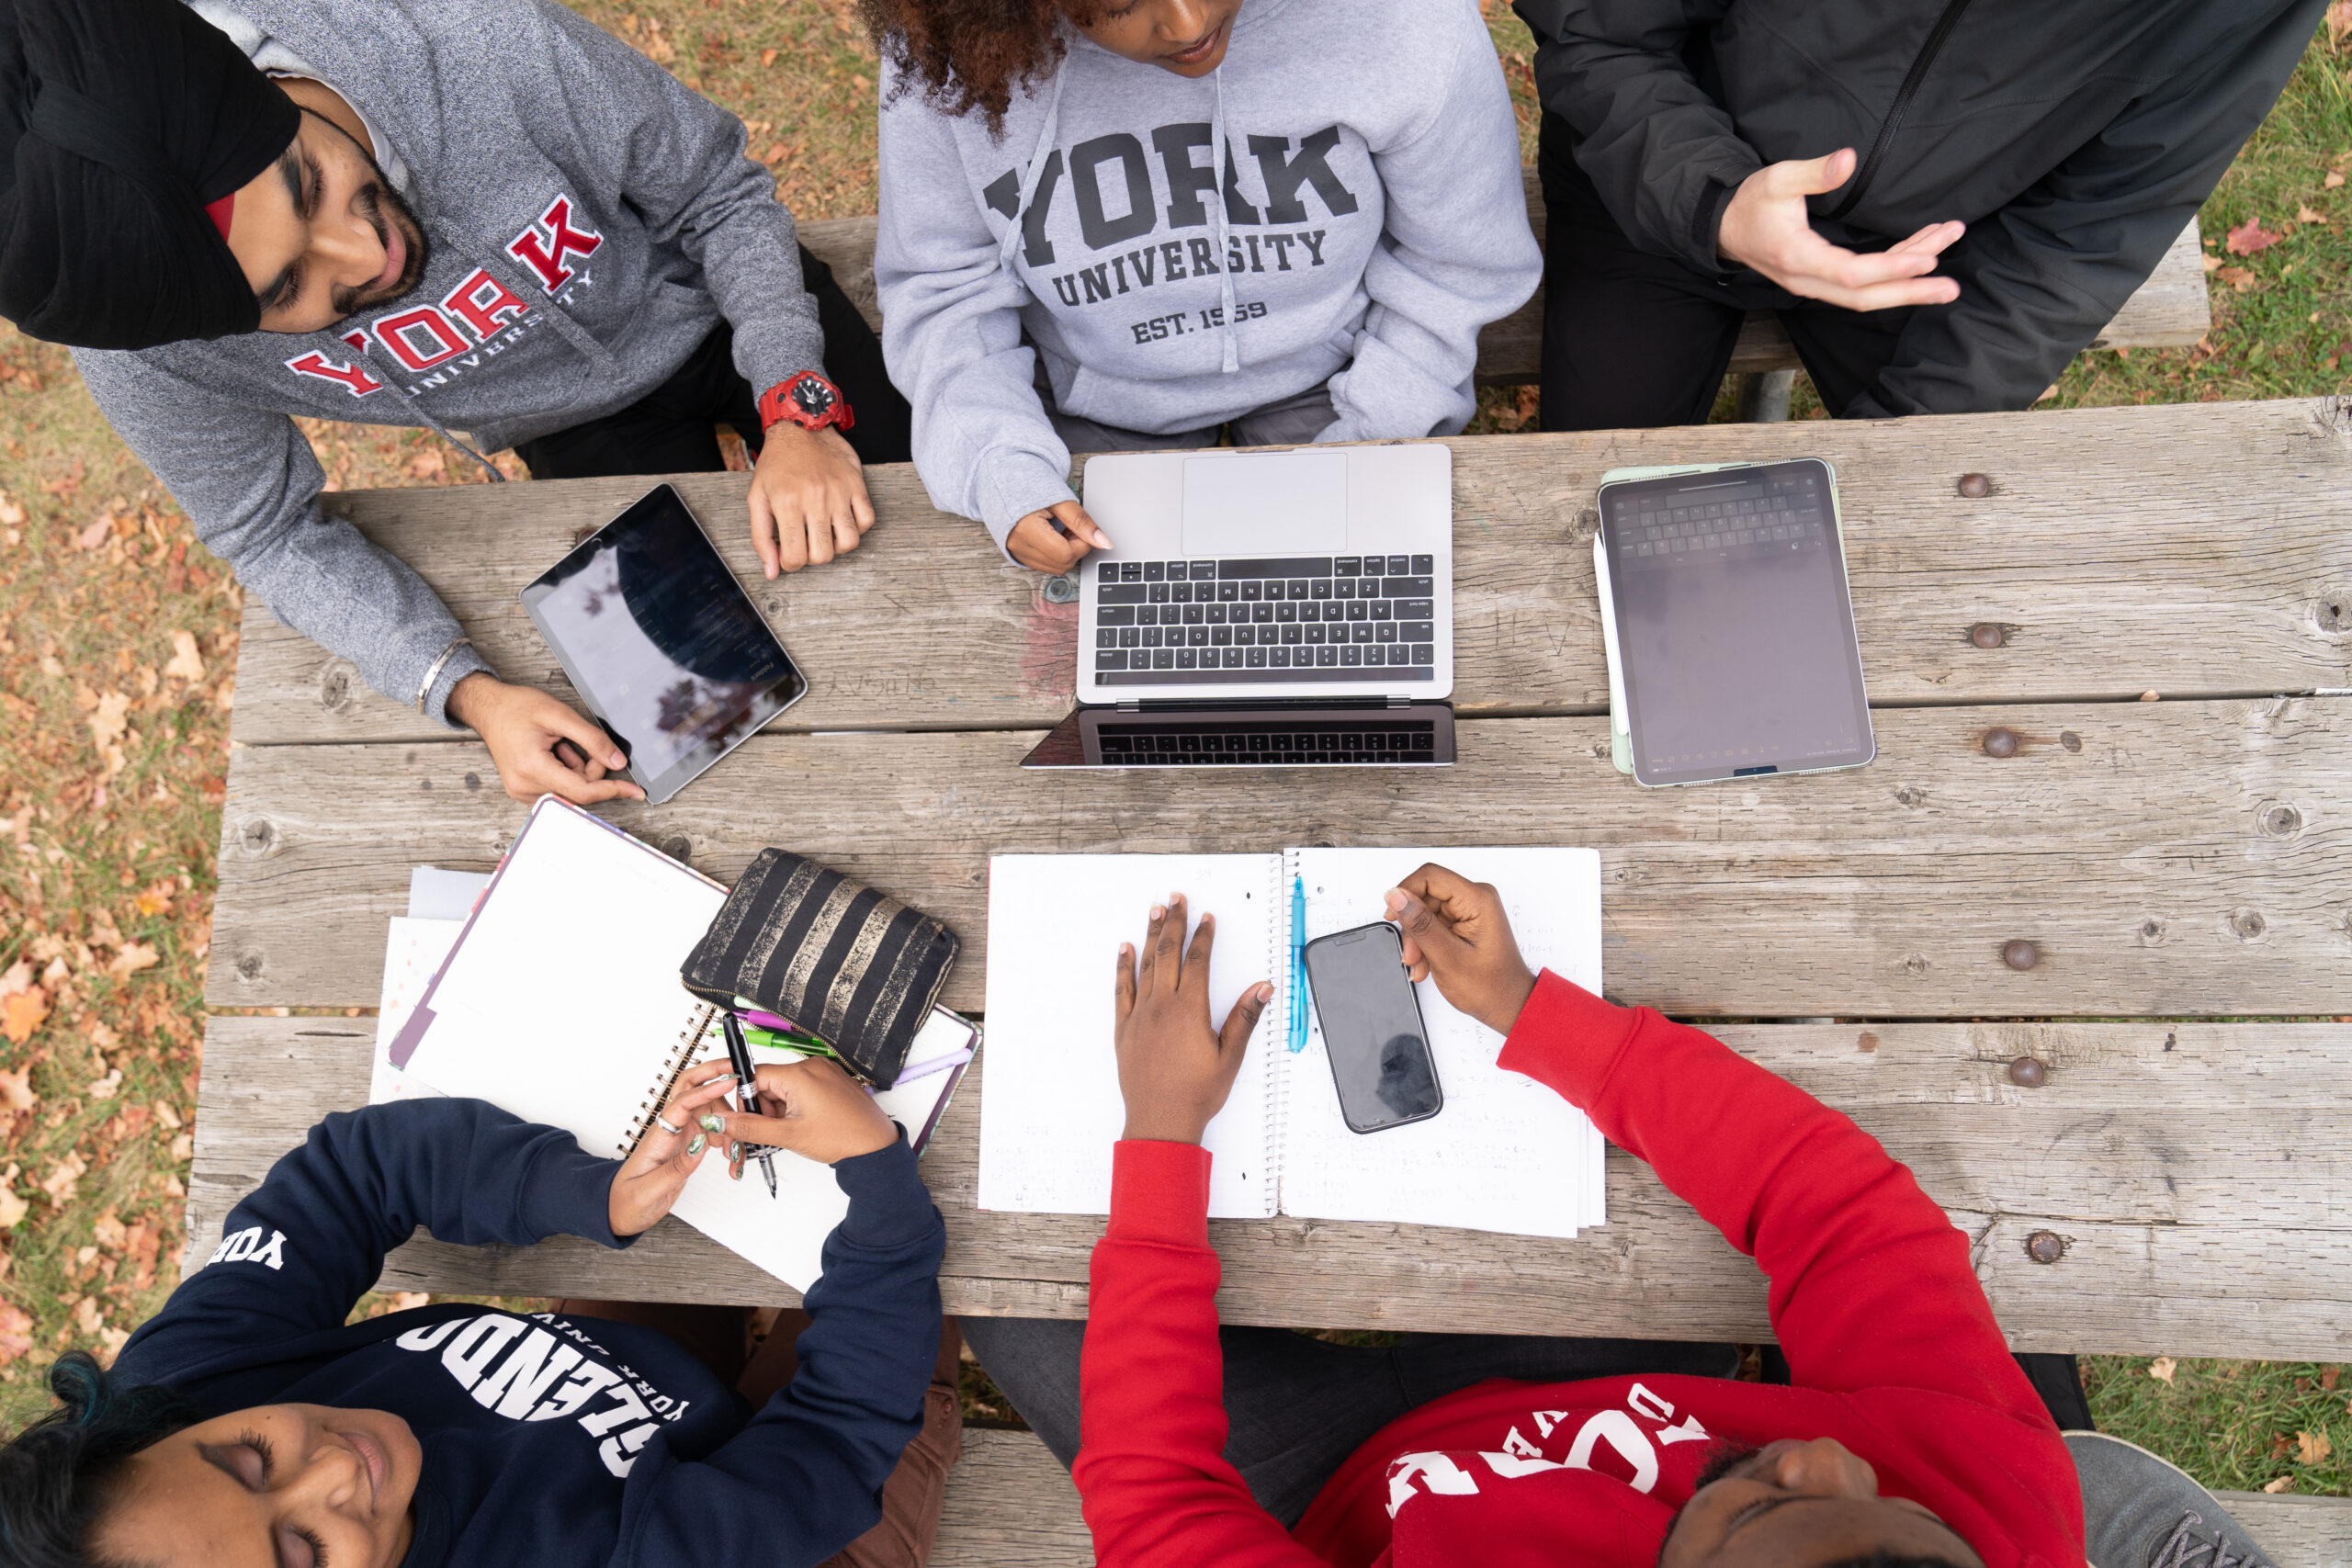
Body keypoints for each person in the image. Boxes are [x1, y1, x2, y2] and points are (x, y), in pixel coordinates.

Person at [960, 872, 2283, 1568]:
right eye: (1898, 1517)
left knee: (1002, 1290)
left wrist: (1162, 1135)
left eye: (1759, 1507)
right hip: (1620, 1379)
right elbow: (1837, 1208)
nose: (1823, 1458)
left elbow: (1157, 1502)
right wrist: (1543, 1015)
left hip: (1344, 1499)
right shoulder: (1997, 1492)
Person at [0, 0, 913, 807]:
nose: (363, 258)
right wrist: (469, 692)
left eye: (309, 182)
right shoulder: (150, 347)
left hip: (714, 298)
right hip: (569, 424)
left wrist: (796, 405)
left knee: (939, 539)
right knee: (710, 737)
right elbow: (264, 532)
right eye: (287, 291)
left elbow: (719, 194)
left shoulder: (472, 39)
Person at [0, 1056, 957, 1568]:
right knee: (955, 1213)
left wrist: (598, 1197)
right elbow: (836, 1438)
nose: (333, 1466)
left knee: (690, 1215)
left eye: (251, 1458)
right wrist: (878, 1179)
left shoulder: (181, 1391)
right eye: (302, 1553)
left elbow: (350, 1173)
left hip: (620, 1398)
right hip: (803, 1517)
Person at [868, 0, 1541, 573]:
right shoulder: (952, 55)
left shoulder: (1398, 19)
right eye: (1122, 5)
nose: (1188, 24)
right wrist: (1000, 462)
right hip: (1096, 401)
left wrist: (1368, 437)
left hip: (1340, 374)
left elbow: (1457, 265)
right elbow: (945, 288)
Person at [1510, 0, 2329, 431]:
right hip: (1661, 182)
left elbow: (2092, 232)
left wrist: (1897, 456)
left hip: (1928, 256)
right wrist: (1714, 203)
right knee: (1594, 501)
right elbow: (1601, 34)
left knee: (1926, 560)